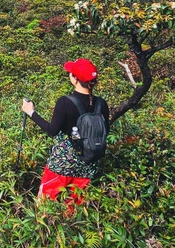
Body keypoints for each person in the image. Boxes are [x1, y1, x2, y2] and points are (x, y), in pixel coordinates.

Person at [21, 58, 110, 212]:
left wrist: (31, 112)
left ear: (75, 79)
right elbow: (105, 131)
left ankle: (44, 233)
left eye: (70, 73)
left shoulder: (65, 102)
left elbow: (52, 130)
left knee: (46, 207)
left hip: (61, 165)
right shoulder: (101, 104)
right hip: (87, 165)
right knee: (73, 210)